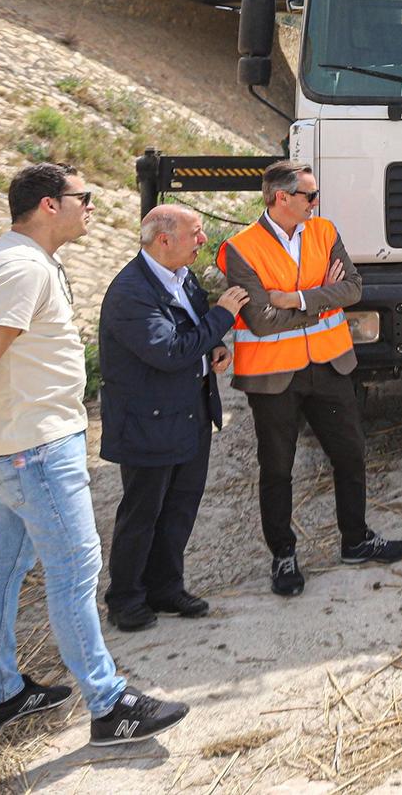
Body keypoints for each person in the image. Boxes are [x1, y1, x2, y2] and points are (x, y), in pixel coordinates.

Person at [0, 163, 189, 746]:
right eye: (83, 197)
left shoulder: (20, 261)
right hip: (37, 452)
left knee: (5, 567)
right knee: (75, 571)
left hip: (22, 445)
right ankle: (109, 704)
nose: (92, 207)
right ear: (50, 205)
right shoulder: (21, 268)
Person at [220, 161, 402, 596]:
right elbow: (262, 321)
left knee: (350, 455)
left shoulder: (324, 232)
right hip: (273, 378)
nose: (316, 202)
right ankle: (283, 555)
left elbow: (353, 289)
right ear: (280, 198)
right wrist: (321, 298)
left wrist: (298, 298)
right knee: (277, 470)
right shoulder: (241, 248)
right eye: (309, 195)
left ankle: (356, 540)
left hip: (328, 368)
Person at [98, 205, 249, 632]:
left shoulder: (183, 277)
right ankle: (125, 599)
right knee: (142, 513)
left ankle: (166, 587)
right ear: (163, 240)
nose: (203, 241)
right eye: (196, 233)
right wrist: (222, 316)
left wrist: (214, 345)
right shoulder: (131, 292)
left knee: (180, 508)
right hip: (150, 422)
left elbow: (192, 333)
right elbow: (168, 351)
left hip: (188, 415)